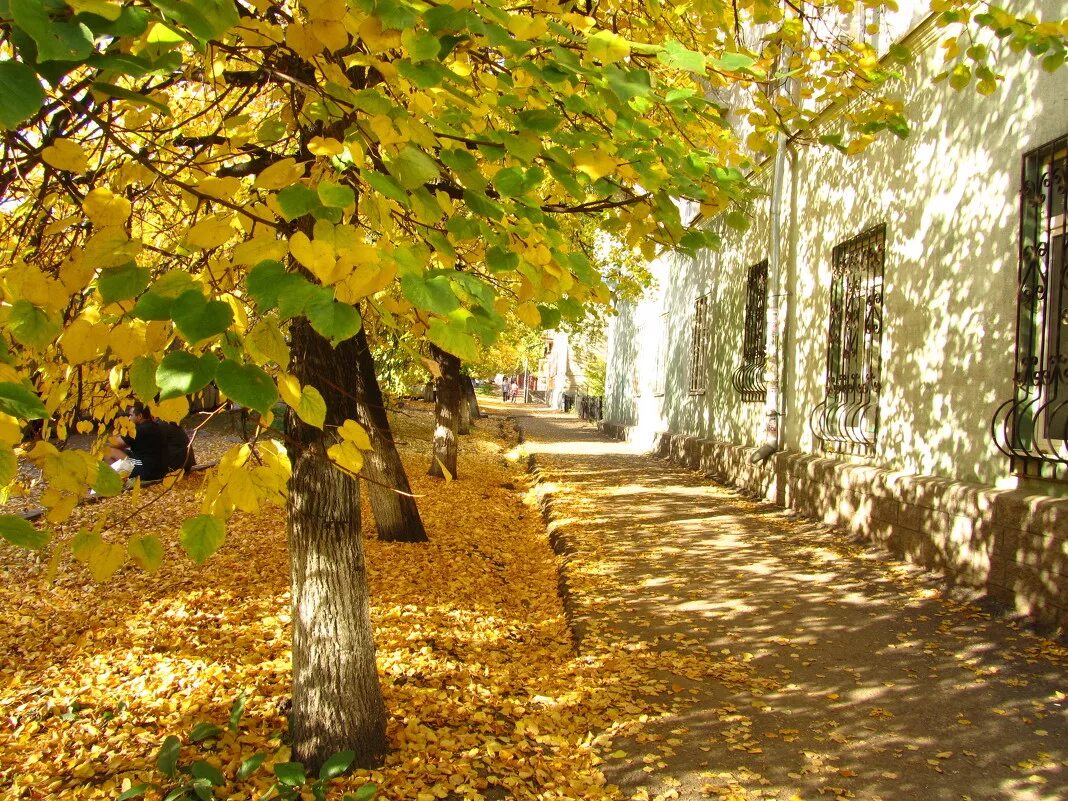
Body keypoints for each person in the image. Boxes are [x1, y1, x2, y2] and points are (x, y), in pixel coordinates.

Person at [105, 403, 169, 481]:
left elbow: (116, 443)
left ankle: (111, 481)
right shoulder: (156, 427)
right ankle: (117, 478)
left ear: (140, 416)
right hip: (160, 470)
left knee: (109, 452)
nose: (129, 418)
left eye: (131, 415)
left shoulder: (138, 430)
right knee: (124, 451)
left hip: (145, 470)